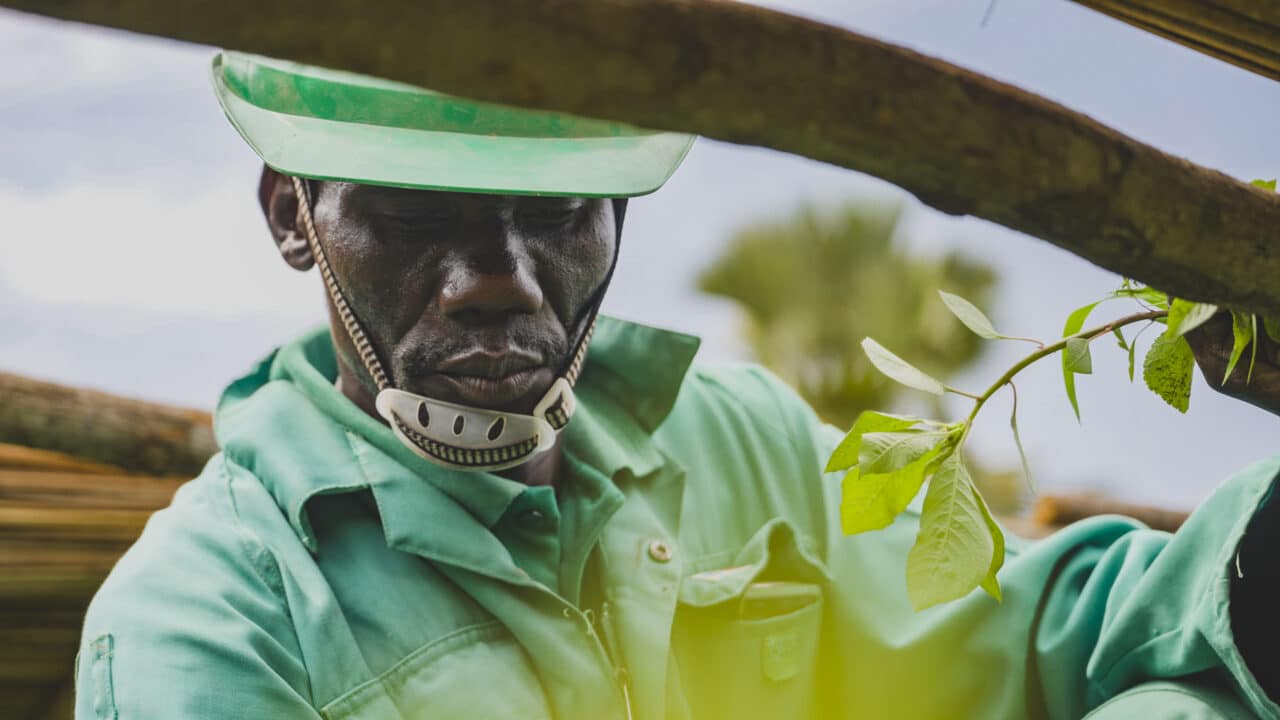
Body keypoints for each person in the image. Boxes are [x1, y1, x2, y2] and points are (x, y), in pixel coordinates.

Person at [74, 52, 1280, 720]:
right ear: (294, 217)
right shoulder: (207, 622)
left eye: (553, 215)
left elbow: (1035, 635)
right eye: (413, 216)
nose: (493, 281)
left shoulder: (737, 438)